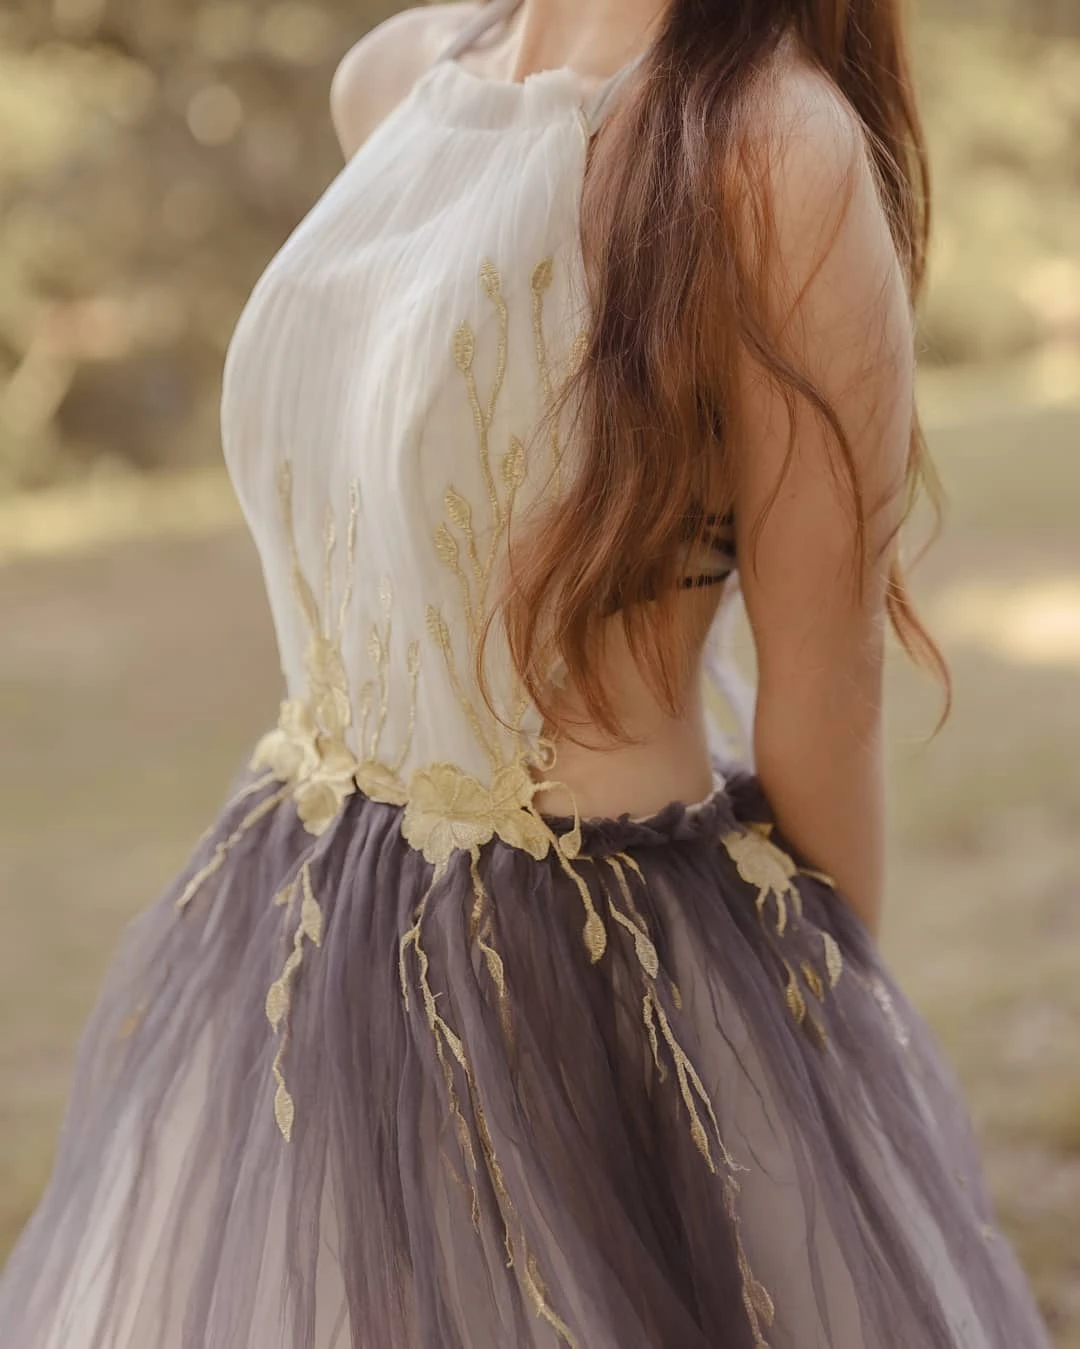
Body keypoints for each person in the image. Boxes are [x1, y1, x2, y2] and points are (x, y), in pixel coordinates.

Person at [0, 0, 1053, 1344]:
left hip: (585, 985)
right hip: (303, 925)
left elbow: (826, 693)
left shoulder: (773, 151)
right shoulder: (392, 81)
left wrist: (811, 1086)